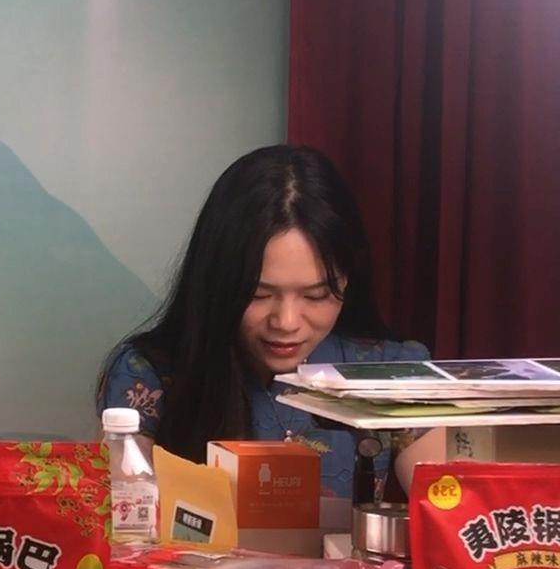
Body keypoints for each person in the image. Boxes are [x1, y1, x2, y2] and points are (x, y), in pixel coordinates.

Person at [97, 145, 428, 500]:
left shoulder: (391, 372)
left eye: (316, 295)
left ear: (348, 280)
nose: (286, 322)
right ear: (217, 282)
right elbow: (126, 514)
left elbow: (447, 504)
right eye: (257, 294)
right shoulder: (147, 374)